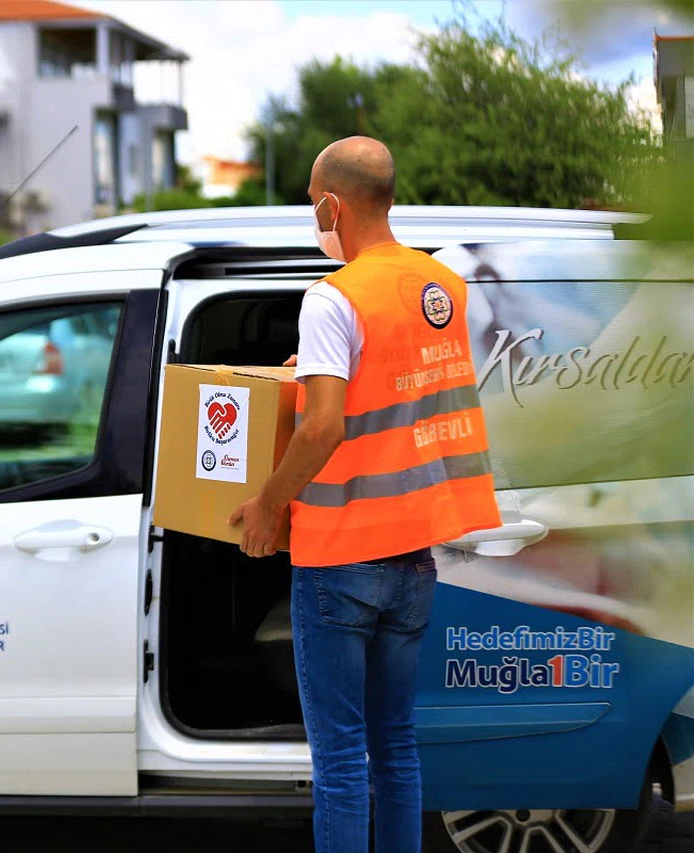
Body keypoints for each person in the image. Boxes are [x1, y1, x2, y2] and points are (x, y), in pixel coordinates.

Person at [229, 136, 501, 852]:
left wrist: (266, 505)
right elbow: (403, 385)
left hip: (338, 563)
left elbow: (323, 428)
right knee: (396, 748)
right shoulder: (441, 286)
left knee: (344, 761)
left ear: (331, 204)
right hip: (413, 557)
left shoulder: (333, 297)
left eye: (310, 205)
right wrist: (317, 367)